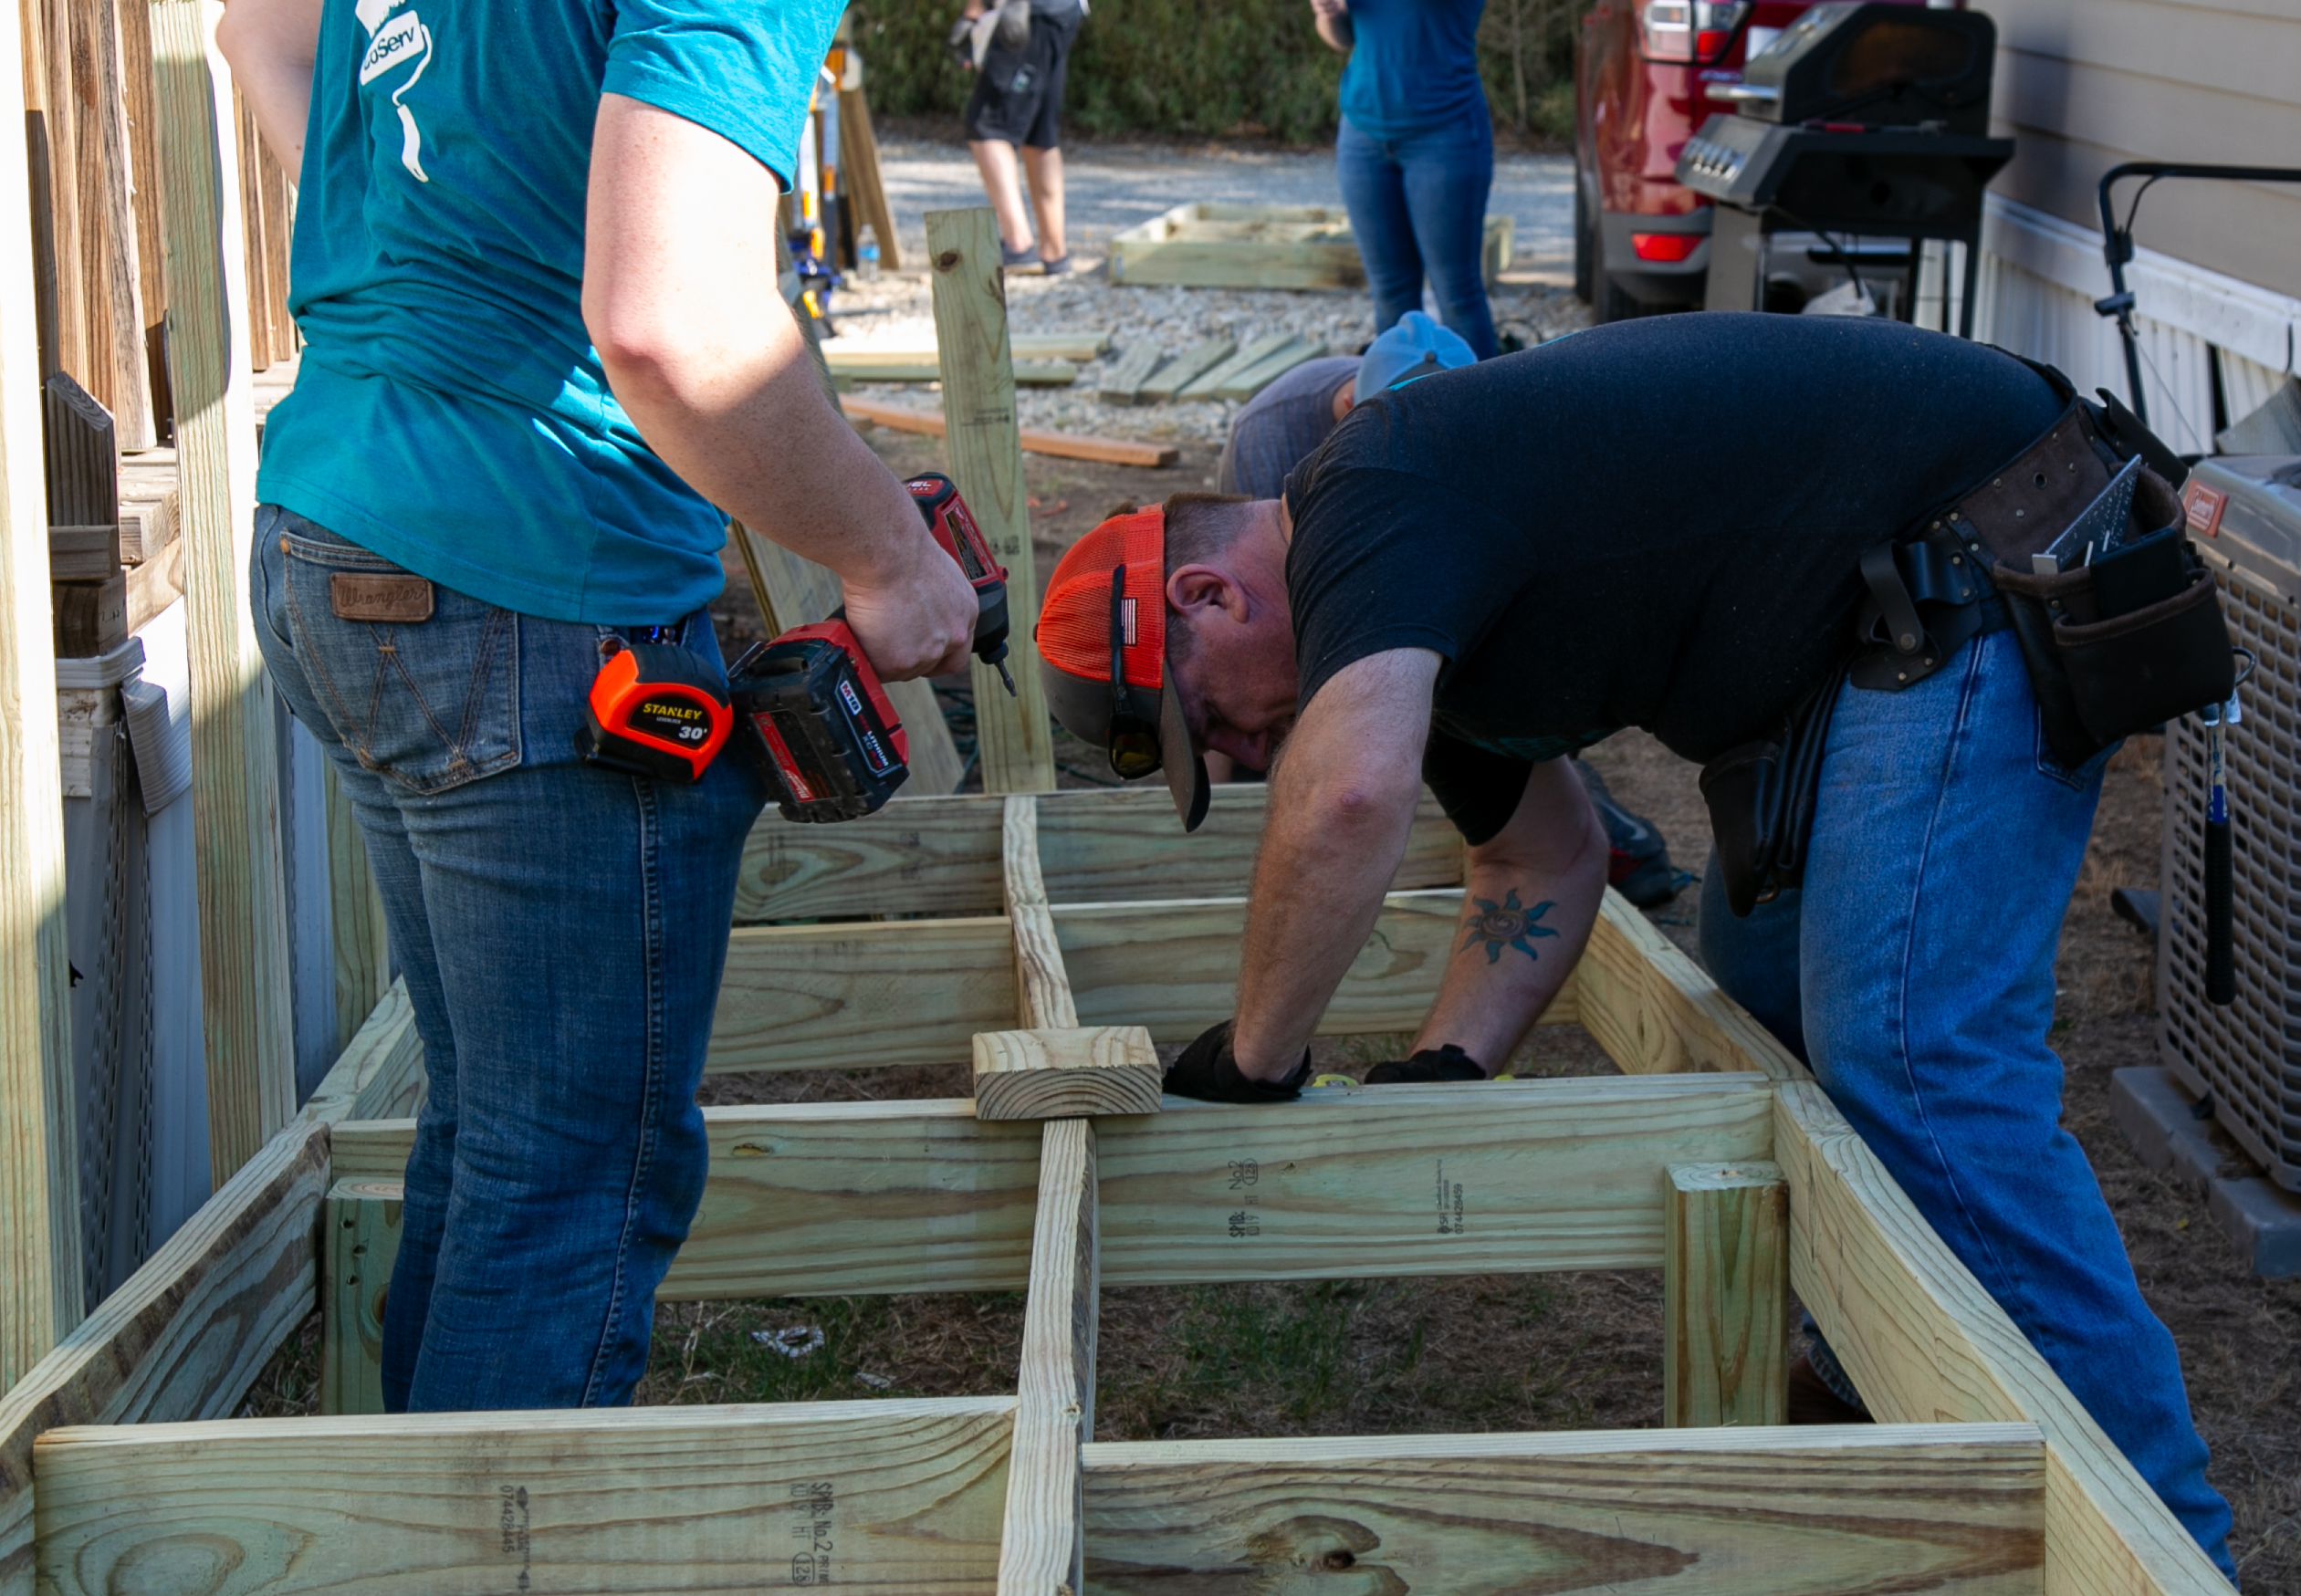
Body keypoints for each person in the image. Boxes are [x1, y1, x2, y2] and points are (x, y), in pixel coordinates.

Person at [1029, 312, 2238, 1582]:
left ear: (1204, 593)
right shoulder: (1410, 620)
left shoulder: (1366, 502)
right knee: (1759, 975)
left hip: (1984, 546)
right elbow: (1540, 858)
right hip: (1877, 618)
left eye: (1207, 720)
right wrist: (1448, 1065)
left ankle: (2167, 1543)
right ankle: (1876, 1363)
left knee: (1911, 1048)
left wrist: (1257, 1057)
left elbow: (1343, 801)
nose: (1240, 756)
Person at [219, 0, 977, 1411]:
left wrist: (430, 290)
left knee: (500, 1135)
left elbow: (252, 29)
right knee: (572, 1178)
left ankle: (421, 1535)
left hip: (337, 523)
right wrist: (889, 557)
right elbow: (669, 326)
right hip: (531, 575)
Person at [1310, 0, 1499, 359]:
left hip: (1444, 133)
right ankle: (1398, 411)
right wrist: (1329, 13)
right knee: (1389, 294)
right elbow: (1343, 38)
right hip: (1362, 133)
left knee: (1457, 295)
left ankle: (1485, 412)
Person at [952, 0, 1084, 273]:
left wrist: (973, 12)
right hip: (1064, 12)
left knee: (987, 127)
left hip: (1027, 13)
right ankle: (1053, 250)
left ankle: (1017, 242)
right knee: (1040, 135)